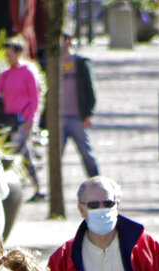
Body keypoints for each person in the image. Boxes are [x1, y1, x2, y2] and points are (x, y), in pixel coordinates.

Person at [0, 36, 45, 202]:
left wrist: (31, 119)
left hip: (23, 119)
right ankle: (37, 187)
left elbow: (35, 98)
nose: (8, 58)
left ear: (19, 53)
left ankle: (11, 187)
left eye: (10, 54)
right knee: (25, 152)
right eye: (7, 55)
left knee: (15, 150)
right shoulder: (6, 74)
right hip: (10, 118)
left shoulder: (28, 73)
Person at [59, 31, 100, 178]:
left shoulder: (80, 63)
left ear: (67, 41)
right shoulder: (52, 64)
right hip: (59, 118)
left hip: (77, 117)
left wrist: (88, 114)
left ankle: (96, 183)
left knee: (86, 153)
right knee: (55, 157)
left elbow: (90, 90)